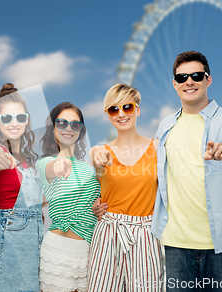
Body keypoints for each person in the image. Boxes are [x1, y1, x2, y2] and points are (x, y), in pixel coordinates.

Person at [150, 50, 222, 291]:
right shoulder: (165, 127)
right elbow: (154, 176)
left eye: (196, 75)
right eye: (182, 78)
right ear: (175, 84)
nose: (189, 81)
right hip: (176, 245)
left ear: (208, 79)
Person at [87, 84, 164, 291]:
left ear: (137, 110)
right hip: (108, 234)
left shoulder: (157, 147)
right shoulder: (101, 150)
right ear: (108, 115)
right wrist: (97, 157)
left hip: (146, 234)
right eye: (114, 109)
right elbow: (95, 158)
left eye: (127, 107)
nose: (121, 114)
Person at [36, 102, 101, 292]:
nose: (69, 128)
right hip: (58, 252)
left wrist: (98, 206)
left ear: (81, 131)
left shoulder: (89, 167)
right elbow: (53, 167)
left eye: (75, 124)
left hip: (88, 253)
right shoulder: (45, 163)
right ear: (53, 127)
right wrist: (58, 163)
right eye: (62, 123)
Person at [0, 83, 44, 292]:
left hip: (36, 235)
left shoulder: (28, 160)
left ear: (27, 120)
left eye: (20, 117)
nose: (14, 123)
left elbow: (37, 201)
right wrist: (0, 159)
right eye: (7, 117)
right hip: (11, 236)